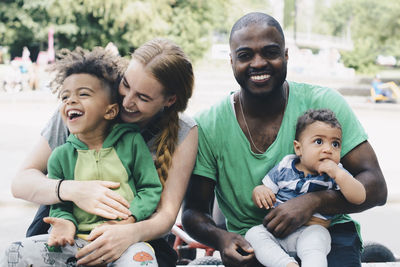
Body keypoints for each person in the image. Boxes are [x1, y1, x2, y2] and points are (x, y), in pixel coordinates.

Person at [182, 12, 386, 267]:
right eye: (245, 55)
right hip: (255, 243)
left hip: (328, 234)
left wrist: (313, 201)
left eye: (270, 52)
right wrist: (223, 240)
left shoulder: (324, 104)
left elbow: (376, 187)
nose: (258, 63)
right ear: (231, 61)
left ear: (286, 55)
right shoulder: (208, 124)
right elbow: (193, 212)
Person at [10, 38, 197, 267]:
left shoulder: (184, 132)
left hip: (137, 234)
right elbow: (21, 182)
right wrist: (74, 190)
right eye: (126, 85)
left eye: (143, 97)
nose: (127, 101)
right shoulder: (84, 109)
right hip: (69, 225)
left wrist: (127, 232)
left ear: (169, 100)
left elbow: (166, 216)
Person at [245, 108, 366, 267]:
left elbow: (359, 197)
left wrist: (338, 174)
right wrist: (259, 191)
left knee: (315, 243)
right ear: (298, 148)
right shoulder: (285, 167)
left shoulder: (336, 173)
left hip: (312, 231)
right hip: (279, 233)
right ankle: (286, 264)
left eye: (335, 144)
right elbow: (264, 190)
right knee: (253, 234)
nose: (328, 149)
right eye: (318, 141)